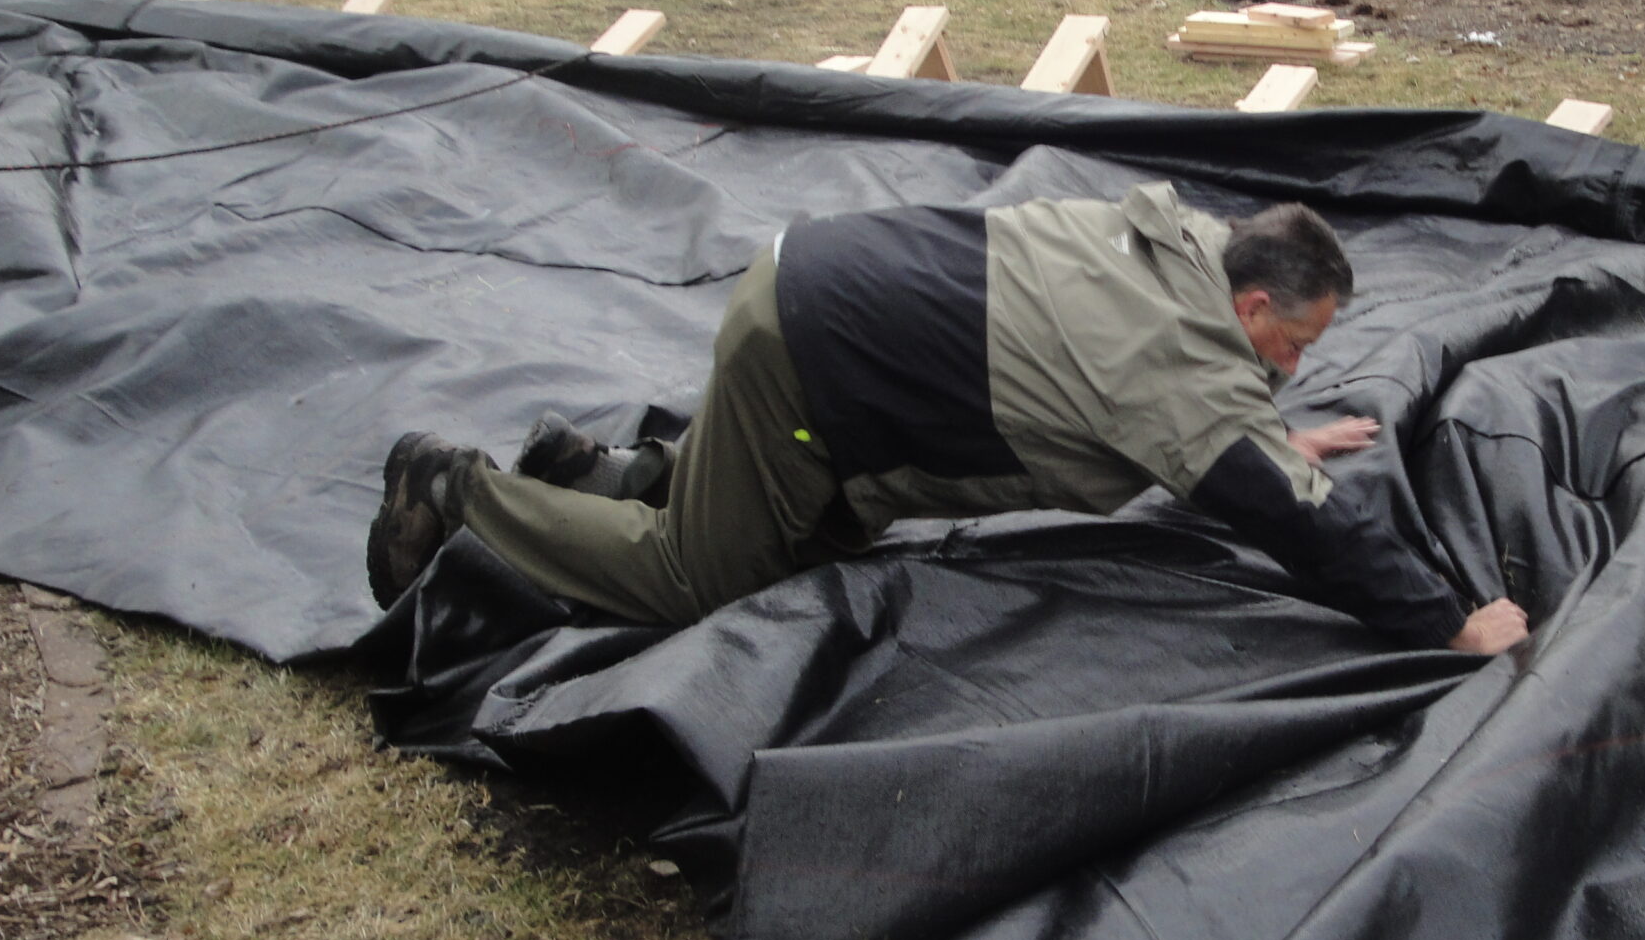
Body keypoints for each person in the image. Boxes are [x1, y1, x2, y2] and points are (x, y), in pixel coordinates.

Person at [368, 184, 1529, 655]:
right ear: (1251, 302)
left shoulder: (1167, 242)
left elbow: (1202, 422)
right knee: (696, 582)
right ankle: (457, 488)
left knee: (812, 529)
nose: (1291, 367)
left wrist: (1260, 432)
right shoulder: (1181, 363)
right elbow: (1303, 525)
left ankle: (610, 473)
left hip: (821, 283)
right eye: (1293, 344)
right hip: (816, 361)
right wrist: (1450, 622)